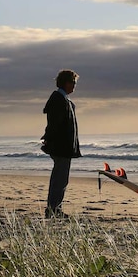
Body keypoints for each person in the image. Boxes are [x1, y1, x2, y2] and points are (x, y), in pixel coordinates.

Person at [40, 69, 81, 218]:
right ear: (66, 83)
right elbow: (54, 123)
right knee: (60, 179)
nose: (74, 86)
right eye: (73, 83)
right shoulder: (59, 99)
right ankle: (53, 209)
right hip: (61, 147)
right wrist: (48, 139)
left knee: (61, 178)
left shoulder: (63, 100)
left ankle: (54, 208)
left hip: (63, 146)